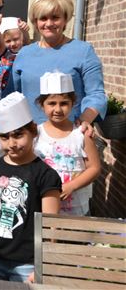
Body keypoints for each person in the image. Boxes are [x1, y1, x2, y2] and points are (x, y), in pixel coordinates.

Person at [0, 92, 61, 282]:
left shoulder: (46, 175)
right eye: (4, 137)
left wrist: (41, 265)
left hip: (26, 264)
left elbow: (50, 225)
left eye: (18, 135)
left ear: (33, 132)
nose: (12, 144)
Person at [12, 0, 107, 126]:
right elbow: (15, 95)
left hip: (70, 133)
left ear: (65, 20)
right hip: (31, 134)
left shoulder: (83, 51)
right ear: (35, 21)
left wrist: (84, 120)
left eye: (55, 18)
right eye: (43, 18)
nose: (49, 23)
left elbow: (96, 94)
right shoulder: (24, 54)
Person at [34, 72, 101, 215]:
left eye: (64, 103)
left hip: (77, 210)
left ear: (72, 104)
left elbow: (94, 168)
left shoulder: (81, 134)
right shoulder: (35, 134)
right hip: (42, 209)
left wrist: (71, 186)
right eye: (52, 103)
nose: (58, 109)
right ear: (42, 105)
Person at [0, 15, 30, 98]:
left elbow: (26, 41)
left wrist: (25, 31)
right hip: (3, 91)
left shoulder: (25, 51)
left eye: (16, 39)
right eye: (8, 41)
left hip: (20, 91)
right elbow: (0, 42)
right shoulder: (5, 52)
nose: (12, 44)